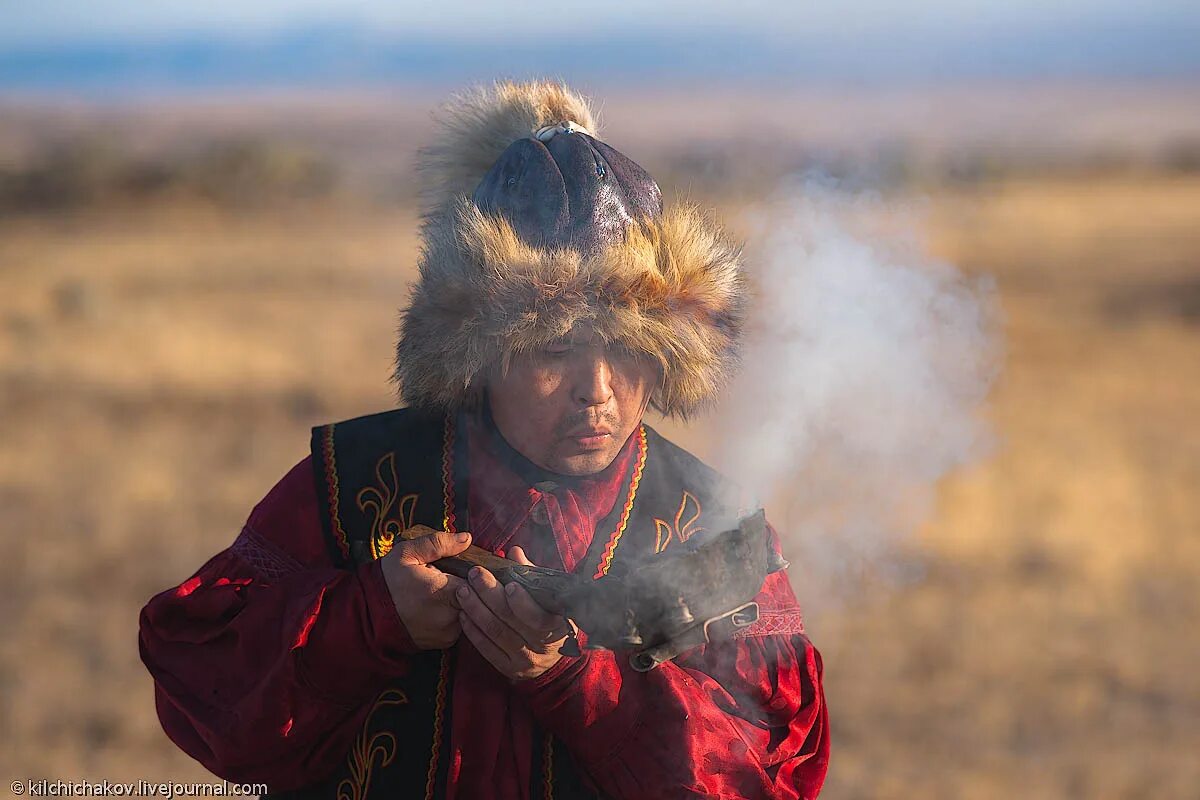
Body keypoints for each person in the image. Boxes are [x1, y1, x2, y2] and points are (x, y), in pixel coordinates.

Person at [139, 80, 829, 800]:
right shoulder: (356, 484)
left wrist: (575, 682)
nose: (596, 390)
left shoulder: (712, 529)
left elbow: (772, 774)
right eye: (554, 350)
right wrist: (368, 620)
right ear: (480, 351)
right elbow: (207, 699)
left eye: (627, 349)